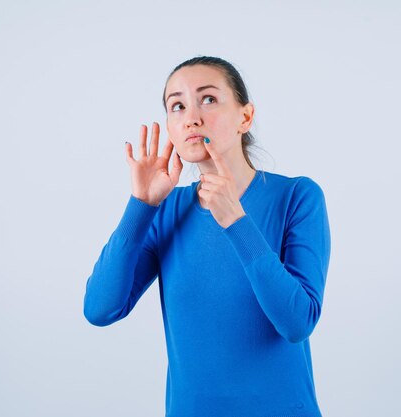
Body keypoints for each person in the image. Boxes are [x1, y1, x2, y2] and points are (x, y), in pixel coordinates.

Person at [83, 56, 331, 417]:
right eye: (178, 106)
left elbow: (297, 322)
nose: (191, 117)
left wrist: (237, 221)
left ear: (245, 117)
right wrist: (141, 206)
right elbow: (100, 309)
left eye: (209, 99)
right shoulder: (168, 209)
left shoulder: (297, 198)